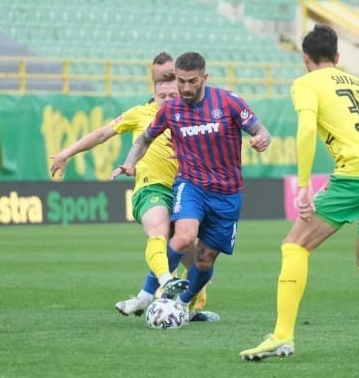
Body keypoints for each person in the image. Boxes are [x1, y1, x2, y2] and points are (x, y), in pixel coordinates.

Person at [239, 24, 359, 362]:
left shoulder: (306, 83)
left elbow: (307, 128)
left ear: (305, 58)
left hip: (358, 174)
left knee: (295, 244)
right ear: (337, 56)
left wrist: (304, 184)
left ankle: (281, 335)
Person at [50, 58, 215, 321]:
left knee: (202, 264)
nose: (168, 99)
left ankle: (174, 305)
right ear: (154, 95)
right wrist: (67, 152)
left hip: (186, 193)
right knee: (158, 230)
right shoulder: (140, 114)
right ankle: (164, 280)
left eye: (173, 94)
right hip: (151, 189)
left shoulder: (192, 117)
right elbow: (103, 133)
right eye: (163, 95)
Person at [113, 51, 271, 317]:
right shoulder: (171, 110)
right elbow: (144, 139)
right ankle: (145, 295)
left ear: (204, 78)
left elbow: (259, 129)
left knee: (205, 259)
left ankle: (184, 305)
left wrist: (262, 139)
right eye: (181, 81)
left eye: (192, 81)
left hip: (227, 193)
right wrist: (131, 162)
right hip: (191, 185)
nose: (185, 88)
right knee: (184, 236)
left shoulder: (228, 102)